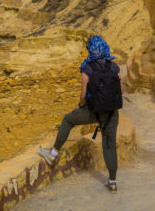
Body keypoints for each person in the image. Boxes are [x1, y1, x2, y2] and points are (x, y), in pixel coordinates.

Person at [38, 35, 124, 193]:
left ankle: (53, 153)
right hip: (112, 114)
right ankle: (112, 182)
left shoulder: (88, 69)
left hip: (93, 112)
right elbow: (122, 90)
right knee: (110, 147)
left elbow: (83, 95)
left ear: (91, 50)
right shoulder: (114, 68)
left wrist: (80, 106)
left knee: (68, 120)